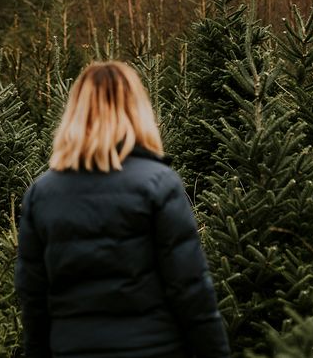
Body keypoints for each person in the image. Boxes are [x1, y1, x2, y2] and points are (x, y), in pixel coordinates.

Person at [15, 61, 230, 358]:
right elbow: (190, 287)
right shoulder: (158, 183)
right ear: (136, 109)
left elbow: (33, 298)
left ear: (76, 113)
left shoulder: (42, 193)